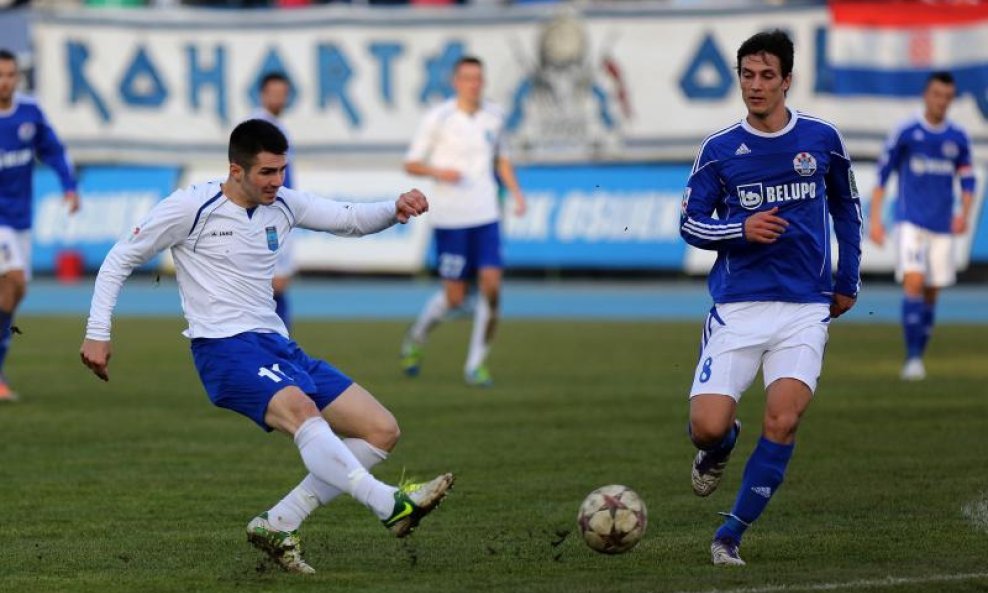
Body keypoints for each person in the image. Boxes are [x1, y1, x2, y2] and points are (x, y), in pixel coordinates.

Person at [79, 120, 453, 574]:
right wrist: (98, 331)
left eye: (281, 170)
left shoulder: (284, 204)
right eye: (267, 173)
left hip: (277, 345)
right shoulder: (190, 207)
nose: (277, 181)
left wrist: (394, 207)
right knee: (302, 413)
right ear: (236, 170)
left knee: (380, 430)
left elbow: (349, 219)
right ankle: (387, 503)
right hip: (224, 349)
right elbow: (120, 258)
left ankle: (280, 523)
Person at [679, 30, 861, 566]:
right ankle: (720, 444)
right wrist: (740, 228)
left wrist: (846, 280)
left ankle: (730, 534)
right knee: (706, 426)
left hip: (805, 306)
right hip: (739, 306)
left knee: (783, 420)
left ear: (787, 80)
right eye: (746, 75)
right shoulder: (719, 151)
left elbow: (846, 209)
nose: (755, 86)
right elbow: (690, 223)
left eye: (766, 76)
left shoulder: (821, 139)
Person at [400, 56, 526, 387]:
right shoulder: (438, 117)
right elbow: (411, 164)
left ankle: (475, 365)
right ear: (456, 82)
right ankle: (416, 338)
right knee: (454, 298)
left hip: (486, 214)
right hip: (450, 217)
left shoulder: (495, 116)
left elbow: (502, 159)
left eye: (478, 78)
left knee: (492, 288)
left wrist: (516, 194)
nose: (474, 84)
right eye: (468, 78)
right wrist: (439, 171)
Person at [868, 71, 975, 381]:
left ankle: (919, 352)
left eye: (947, 97)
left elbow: (967, 179)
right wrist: (875, 220)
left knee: (931, 292)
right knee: (913, 282)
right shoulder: (907, 132)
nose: (941, 101)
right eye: (937, 95)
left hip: (942, 224)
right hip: (910, 222)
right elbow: (882, 176)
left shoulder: (957, 137)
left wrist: (964, 214)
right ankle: (912, 359)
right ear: (926, 96)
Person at [0, 48, 79, 402]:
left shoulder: (29, 113)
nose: (5, 82)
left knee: (17, 292)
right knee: (12, 280)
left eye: (10, 75)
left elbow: (54, 150)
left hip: (20, 220)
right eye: (0, 75)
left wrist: (69, 187)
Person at [250, 72, 296, 332]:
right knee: (275, 283)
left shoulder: (279, 127)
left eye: (283, 93)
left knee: (278, 283)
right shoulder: (258, 127)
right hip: (267, 214)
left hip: (280, 212)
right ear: (263, 94)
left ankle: (279, 342)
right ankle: (276, 342)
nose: (279, 98)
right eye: (274, 93)